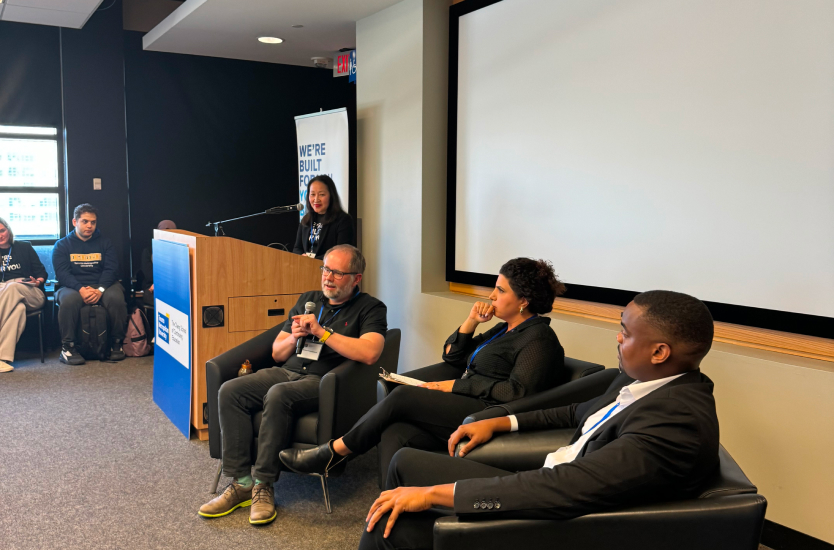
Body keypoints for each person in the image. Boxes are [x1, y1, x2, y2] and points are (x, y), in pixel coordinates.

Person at [357, 290, 719, 550]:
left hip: (561, 523)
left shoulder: (676, 420)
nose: (618, 337)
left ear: (659, 352)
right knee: (404, 463)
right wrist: (502, 422)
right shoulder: (642, 380)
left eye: (625, 331)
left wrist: (432, 495)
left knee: (391, 530)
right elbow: (576, 411)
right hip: (551, 481)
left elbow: (563, 488)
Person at [280, 258, 567, 484]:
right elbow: (452, 355)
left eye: (500, 290)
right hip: (467, 401)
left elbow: (518, 392)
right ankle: (391, 507)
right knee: (396, 430)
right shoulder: (504, 329)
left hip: (487, 413)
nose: (491, 295)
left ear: (524, 301)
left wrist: (456, 386)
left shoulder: (538, 338)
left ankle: (333, 453)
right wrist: (470, 321)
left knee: (402, 398)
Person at [198, 244, 387, 526]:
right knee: (230, 390)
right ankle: (242, 482)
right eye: (325, 269)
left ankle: (264, 483)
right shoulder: (309, 299)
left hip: (325, 382)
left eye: (337, 272)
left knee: (278, 395)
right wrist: (293, 336)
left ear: (356, 278)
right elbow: (277, 353)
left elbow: (371, 352)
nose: (328, 277)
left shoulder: (370, 307)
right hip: (286, 372)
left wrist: (323, 333)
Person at [52, 204, 128, 365]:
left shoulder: (105, 243)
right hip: (73, 286)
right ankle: (68, 348)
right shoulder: (62, 245)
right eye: (85, 221)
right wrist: (80, 289)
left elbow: (111, 269)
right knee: (69, 301)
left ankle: (116, 344)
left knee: (116, 298)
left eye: (93, 222)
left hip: (102, 285)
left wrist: (100, 290)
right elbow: (62, 274)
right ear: (75, 222)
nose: (89, 226)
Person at [0, 217, 47, 373]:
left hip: (30, 291)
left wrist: (37, 281)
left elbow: (42, 273)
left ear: (8, 230)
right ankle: (2, 358)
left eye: (2, 231)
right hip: (4, 292)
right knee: (18, 309)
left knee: (13, 286)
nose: (0, 235)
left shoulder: (24, 247)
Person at [292, 175, 355, 260]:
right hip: (305, 269)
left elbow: (341, 253)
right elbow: (297, 248)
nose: (316, 199)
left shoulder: (343, 220)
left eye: (321, 194)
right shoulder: (306, 219)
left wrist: (313, 261)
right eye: (312, 194)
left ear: (331, 196)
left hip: (329, 270)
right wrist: (303, 258)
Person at [140, 220, 177, 307]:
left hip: (174, 287)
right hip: (152, 287)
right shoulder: (148, 251)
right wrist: (159, 284)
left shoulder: (179, 252)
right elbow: (149, 275)